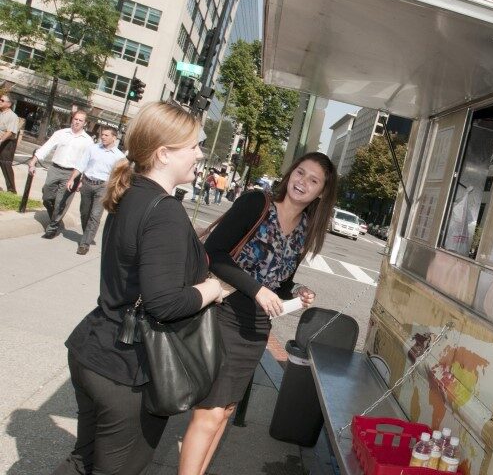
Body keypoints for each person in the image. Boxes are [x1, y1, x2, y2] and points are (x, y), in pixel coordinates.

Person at [52, 102, 224, 475]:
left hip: (94, 348)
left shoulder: (132, 193)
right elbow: (164, 303)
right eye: (193, 146)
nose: (199, 153)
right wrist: (212, 289)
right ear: (163, 153)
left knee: (83, 458)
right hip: (126, 370)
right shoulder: (163, 210)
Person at [178, 152, 338, 475]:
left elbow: (278, 284)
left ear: (321, 192)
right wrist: (256, 289)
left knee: (224, 412)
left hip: (255, 330)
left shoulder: (305, 231)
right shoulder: (257, 203)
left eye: (313, 180)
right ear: (290, 173)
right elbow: (215, 254)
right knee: (208, 413)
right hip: (223, 315)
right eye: (300, 172)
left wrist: (296, 293)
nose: (302, 182)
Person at [28, 111, 93, 239]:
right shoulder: (61, 133)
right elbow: (47, 147)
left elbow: (87, 162)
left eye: (80, 120)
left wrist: (82, 180)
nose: (77, 122)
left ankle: (52, 227)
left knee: (61, 202)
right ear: (72, 119)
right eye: (75, 119)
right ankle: (56, 217)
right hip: (54, 169)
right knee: (47, 196)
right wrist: (33, 161)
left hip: (72, 174)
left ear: (85, 123)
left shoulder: (88, 141)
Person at [65, 126, 125, 255]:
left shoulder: (119, 157)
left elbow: (119, 176)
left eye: (106, 135)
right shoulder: (93, 148)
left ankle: (84, 243)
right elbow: (81, 164)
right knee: (84, 212)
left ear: (114, 138)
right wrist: (72, 179)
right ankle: (88, 233)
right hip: (87, 183)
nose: (103, 137)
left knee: (95, 216)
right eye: (102, 134)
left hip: (103, 187)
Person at [0, 93, 20, 193]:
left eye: (2, 100)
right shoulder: (1, 114)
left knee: (5, 165)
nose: (0, 101)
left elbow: (10, 132)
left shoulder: (13, 116)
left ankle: (11, 190)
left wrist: (1, 141)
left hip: (7, 144)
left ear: (9, 104)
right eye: (0, 99)